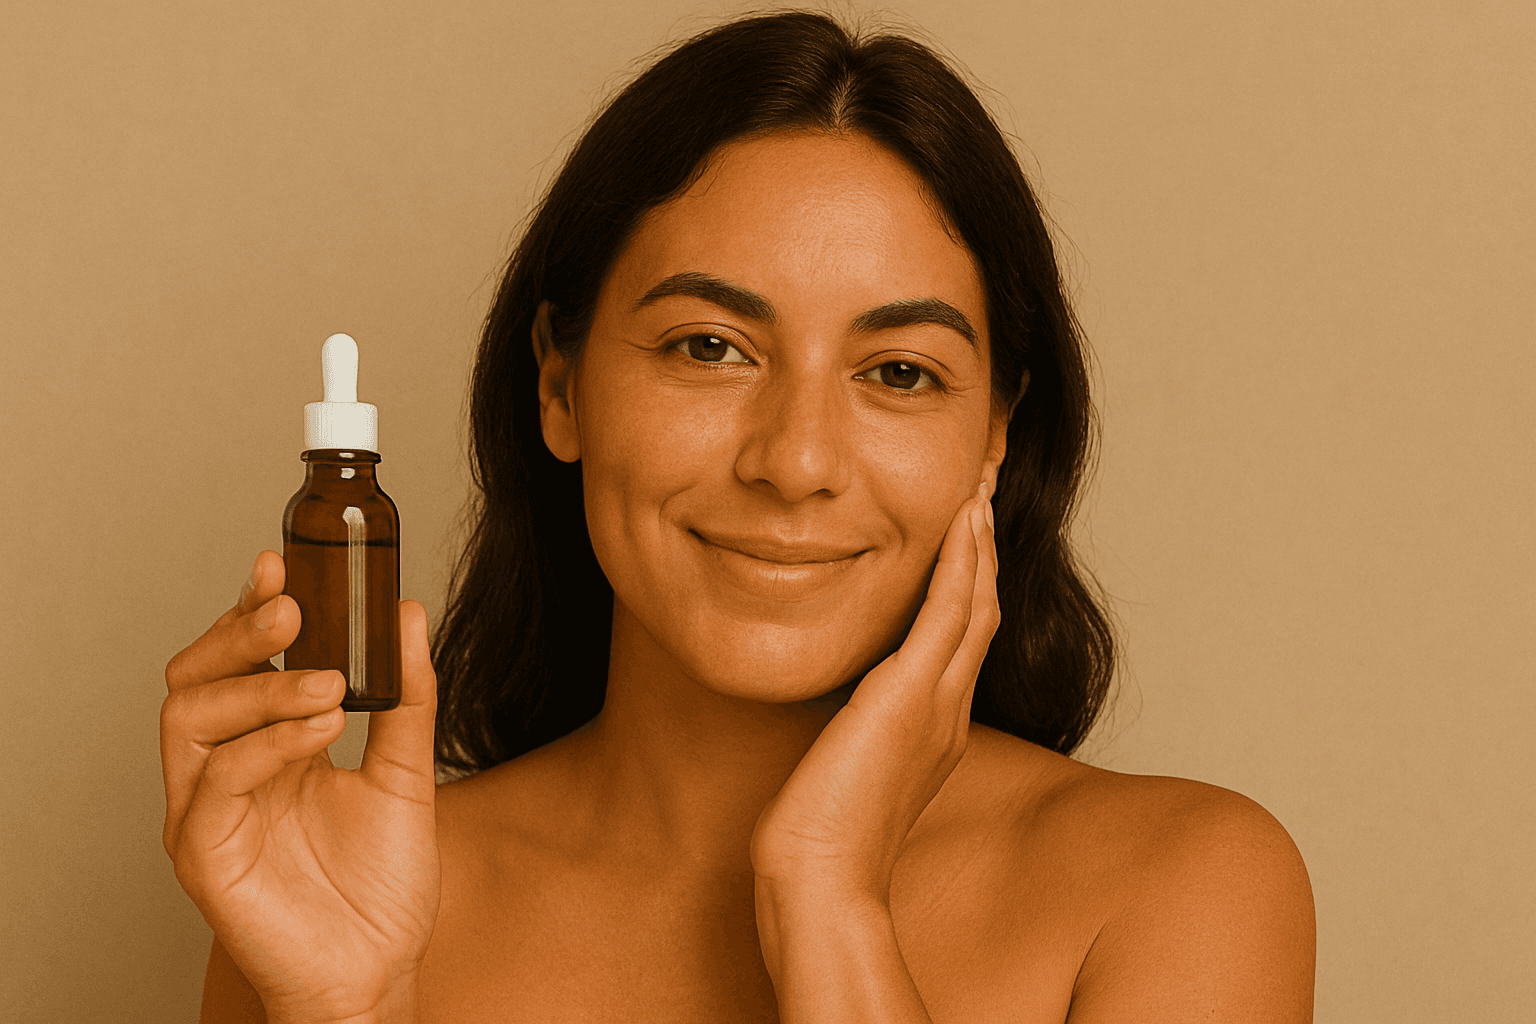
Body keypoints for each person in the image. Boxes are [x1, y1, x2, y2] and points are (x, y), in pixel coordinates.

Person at [161, 11, 1316, 1022]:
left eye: (901, 372)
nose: (797, 460)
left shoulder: (1182, 888)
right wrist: (338, 1007)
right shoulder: (341, 891)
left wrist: (829, 895)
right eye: (708, 348)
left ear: (998, 433)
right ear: (560, 386)